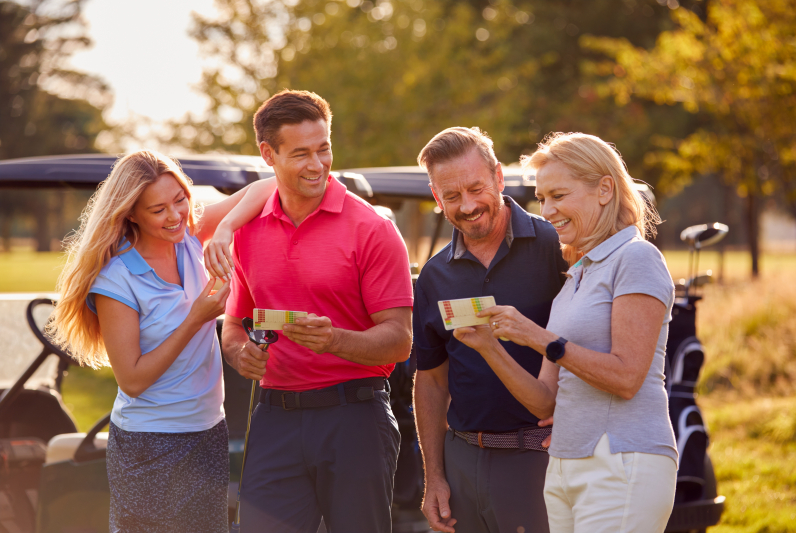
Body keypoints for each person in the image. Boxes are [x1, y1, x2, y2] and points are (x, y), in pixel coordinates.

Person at [458, 132, 677, 533]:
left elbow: (627, 377)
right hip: (563, 466)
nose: (548, 211)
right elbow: (545, 403)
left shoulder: (637, 258)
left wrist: (537, 337)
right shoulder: (577, 276)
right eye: (542, 199)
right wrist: (491, 348)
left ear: (604, 190)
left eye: (558, 195)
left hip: (621, 461)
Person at [49, 150, 276, 533]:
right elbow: (133, 380)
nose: (174, 216)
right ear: (131, 213)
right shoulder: (116, 279)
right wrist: (196, 319)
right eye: (158, 210)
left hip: (208, 432)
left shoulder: (190, 239)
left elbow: (268, 185)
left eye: (180, 200)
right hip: (150, 444)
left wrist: (225, 229)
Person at [219, 89, 413, 533]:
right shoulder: (249, 231)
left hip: (355, 418)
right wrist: (237, 352)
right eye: (301, 153)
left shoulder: (374, 230)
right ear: (268, 154)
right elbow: (234, 323)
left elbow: (400, 341)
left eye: (323, 148)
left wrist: (335, 340)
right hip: (273, 418)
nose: (317, 164)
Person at [412, 127, 567, 533]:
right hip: (462, 462)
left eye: (476, 188)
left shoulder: (558, 247)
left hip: (542, 458)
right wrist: (434, 476)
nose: (467, 205)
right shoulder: (433, 275)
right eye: (451, 196)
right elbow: (429, 381)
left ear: (498, 177)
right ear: (436, 196)